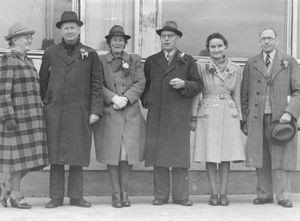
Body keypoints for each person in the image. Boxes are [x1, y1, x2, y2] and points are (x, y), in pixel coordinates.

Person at [39, 11, 103, 208]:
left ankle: (76, 196)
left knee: (77, 153)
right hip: (55, 112)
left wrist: (95, 110)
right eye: (65, 27)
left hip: (80, 112)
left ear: (79, 29)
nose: (69, 31)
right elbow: (43, 82)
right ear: (61, 30)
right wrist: (47, 103)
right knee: (56, 155)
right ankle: (56, 197)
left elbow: (96, 84)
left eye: (72, 27)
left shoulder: (90, 54)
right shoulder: (50, 52)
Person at [141, 21, 202, 206]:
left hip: (178, 116)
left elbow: (198, 85)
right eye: (163, 36)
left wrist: (185, 84)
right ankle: (160, 196)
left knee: (178, 157)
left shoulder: (187, 60)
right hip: (157, 115)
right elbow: (145, 86)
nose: (166, 39)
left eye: (170, 36)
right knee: (159, 157)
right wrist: (148, 101)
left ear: (177, 38)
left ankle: (181, 196)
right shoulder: (152, 60)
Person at [241, 28, 300, 208]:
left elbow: (298, 91)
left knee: (281, 156)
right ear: (260, 41)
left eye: (270, 38)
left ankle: (283, 196)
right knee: (261, 156)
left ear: (277, 40)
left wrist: (289, 112)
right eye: (263, 38)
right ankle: (264, 194)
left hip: (281, 119)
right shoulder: (252, 62)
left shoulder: (288, 61)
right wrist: (245, 119)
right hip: (258, 118)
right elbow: (244, 94)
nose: (266, 41)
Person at [93, 25, 146, 208]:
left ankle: (125, 192)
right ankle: (115, 194)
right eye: (114, 40)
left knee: (127, 154)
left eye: (121, 40)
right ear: (109, 42)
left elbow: (140, 82)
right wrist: (113, 98)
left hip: (130, 113)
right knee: (112, 154)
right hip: (110, 113)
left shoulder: (134, 59)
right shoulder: (100, 60)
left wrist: (127, 98)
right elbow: (96, 83)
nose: (117, 43)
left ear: (125, 43)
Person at [191, 33, 245, 206]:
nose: (216, 50)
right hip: (207, 110)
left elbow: (237, 94)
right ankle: (213, 193)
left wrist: (240, 118)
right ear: (208, 49)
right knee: (210, 153)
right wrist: (193, 115)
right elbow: (196, 94)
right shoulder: (201, 66)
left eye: (220, 46)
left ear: (225, 47)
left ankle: (224, 193)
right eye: (213, 47)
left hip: (228, 113)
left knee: (225, 155)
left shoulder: (235, 68)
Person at [0, 22, 48, 209]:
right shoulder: (8, 60)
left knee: (32, 159)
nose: (29, 39)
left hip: (34, 117)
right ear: (13, 40)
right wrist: (8, 116)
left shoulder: (27, 60)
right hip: (17, 119)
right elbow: (3, 92)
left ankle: (7, 187)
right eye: (25, 36)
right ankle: (16, 195)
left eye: (30, 36)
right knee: (20, 160)